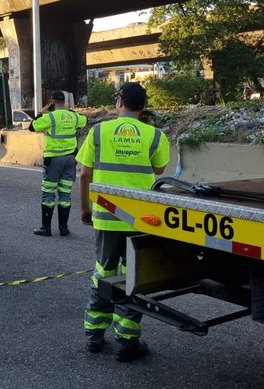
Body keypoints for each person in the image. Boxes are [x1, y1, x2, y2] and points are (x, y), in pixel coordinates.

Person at [77, 82, 170, 362]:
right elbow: (159, 169)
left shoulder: (98, 131)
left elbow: (84, 175)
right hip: (140, 220)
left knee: (103, 274)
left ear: (119, 102)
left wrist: (85, 209)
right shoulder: (155, 135)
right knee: (132, 278)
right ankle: (128, 341)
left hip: (105, 217)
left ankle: (94, 336)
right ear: (143, 106)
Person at [28, 90, 87, 236]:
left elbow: (32, 127)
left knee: (48, 193)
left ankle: (46, 228)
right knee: (65, 193)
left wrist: (42, 113)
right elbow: (84, 120)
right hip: (70, 160)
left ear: (52, 102)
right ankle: (64, 228)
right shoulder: (73, 116)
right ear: (65, 102)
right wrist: (70, 112)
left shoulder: (50, 117)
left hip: (54, 159)